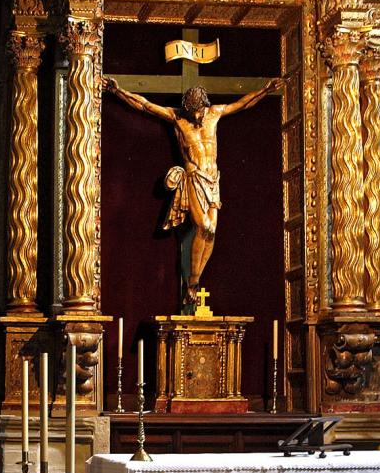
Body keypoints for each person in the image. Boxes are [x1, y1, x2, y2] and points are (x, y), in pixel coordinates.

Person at [103, 77, 281, 306]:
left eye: (200, 112)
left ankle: (195, 281)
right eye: (193, 113)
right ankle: (193, 282)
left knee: (212, 231)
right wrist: (119, 92)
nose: (197, 117)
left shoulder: (214, 114)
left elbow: (243, 104)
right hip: (194, 178)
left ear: (205, 107)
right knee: (203, 226)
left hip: (213, 179)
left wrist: (265, 90)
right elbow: (145, 105)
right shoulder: (178, 119)